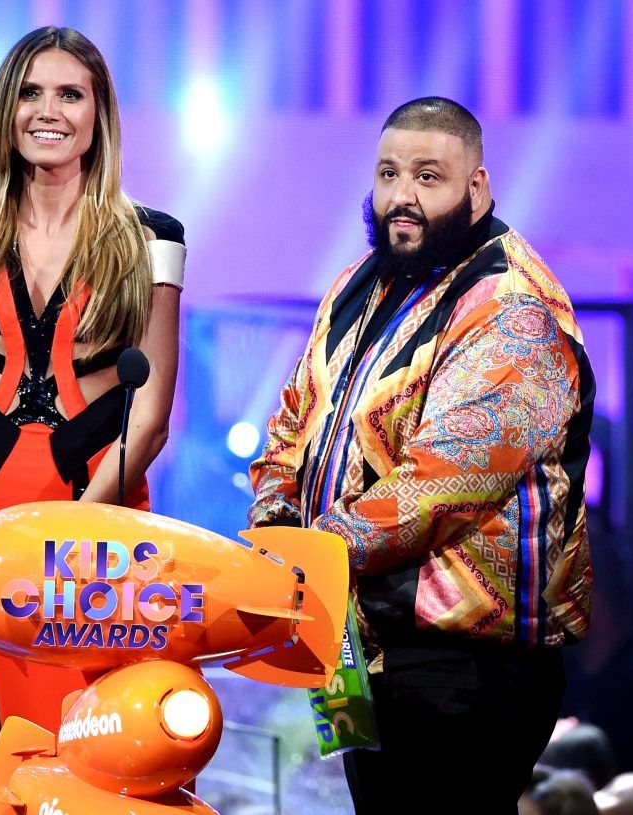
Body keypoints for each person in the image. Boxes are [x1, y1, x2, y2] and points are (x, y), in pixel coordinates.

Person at [248, 97, 594, 813]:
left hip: (461, 663)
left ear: (477, 187)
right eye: (388, 173)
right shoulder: (356, 286)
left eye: (427, 176)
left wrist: (302, 551)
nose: (401, 195)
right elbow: (290, 424)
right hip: (348, 636)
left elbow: (441, 486)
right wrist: (274, 519)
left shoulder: (512, 306)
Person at [0, 27, 184, 815]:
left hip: (96, 549)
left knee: (89, 773)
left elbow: (153, 412)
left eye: (70, 94)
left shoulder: (149, 239)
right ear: (5, 108)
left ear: (100, 114)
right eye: (31, 92)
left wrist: (74, 534)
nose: (48, 110)